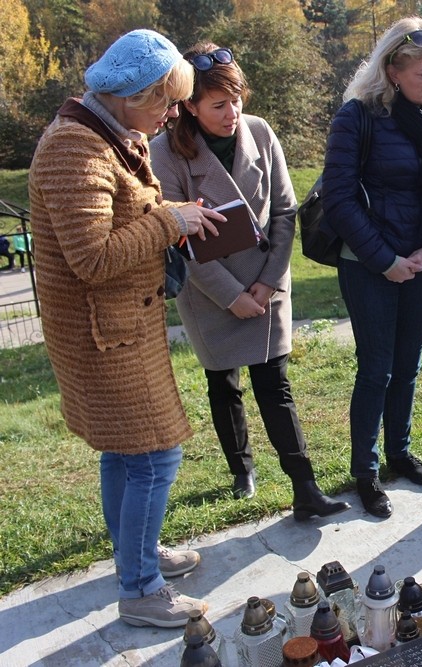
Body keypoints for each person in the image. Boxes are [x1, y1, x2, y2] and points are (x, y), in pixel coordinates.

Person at [28, 29, 225, 628]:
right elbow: (91, 258)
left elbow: (118, 220)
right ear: (132, 94)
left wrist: (171, 219)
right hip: (102, 336)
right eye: (167, 102)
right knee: (155, 456)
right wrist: (169, 221)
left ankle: (134, 554)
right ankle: (140, 588)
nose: (173, 116)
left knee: (126, 453)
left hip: (119, 328)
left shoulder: (106, 134)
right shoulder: (75, 149)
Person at [150, 43, 350, 520]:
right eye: (219, 105)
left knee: (275, 384)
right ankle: (241, 470)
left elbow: (284, 211)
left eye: (237, 99)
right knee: (223, 384)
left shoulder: (259, 131)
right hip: (210, 292)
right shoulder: (165, 153)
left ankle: (305, 488)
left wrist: (267, 282)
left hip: (266, 282)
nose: (232, 113)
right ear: (189, 107)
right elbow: (179, 239)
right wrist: (231, 295)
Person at [322, 16, 422, 518]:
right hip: (369, 265)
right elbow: (339, 199)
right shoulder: (357, 116)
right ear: (393, 70)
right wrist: (384, 260)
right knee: (376, 369)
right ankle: (365, 473)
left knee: (408, 365)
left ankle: (399, 454)